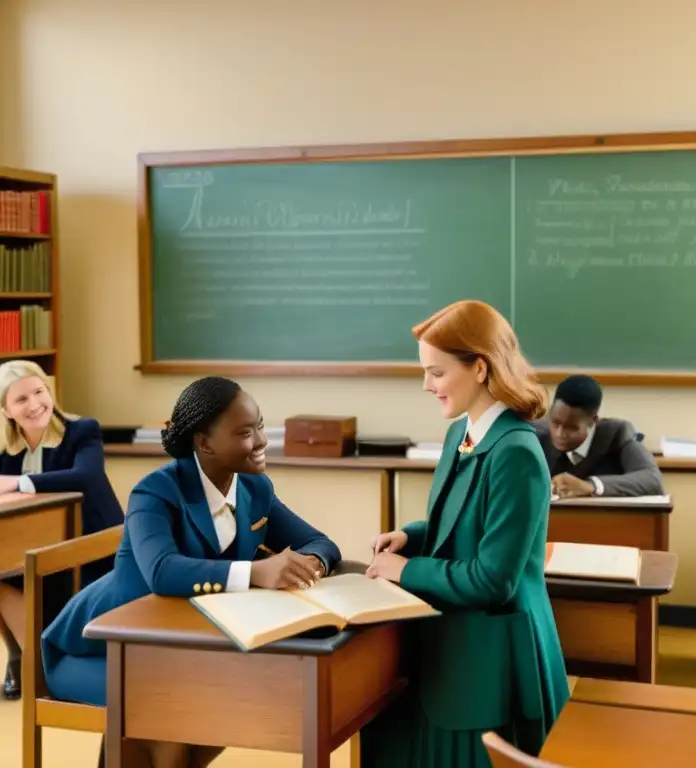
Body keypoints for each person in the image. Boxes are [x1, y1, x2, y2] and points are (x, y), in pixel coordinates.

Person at [40, 376, 341, 768]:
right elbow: (162, 573)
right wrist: (255, 571)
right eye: (246, 432)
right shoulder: (156, 492)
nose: (262, 441)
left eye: (261, 427)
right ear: (205, 442)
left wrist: (311, 563)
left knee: (221, 697)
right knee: (176, 702)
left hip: (177, 652)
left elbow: (321, 543)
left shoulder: (255, 488)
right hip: (94, 651)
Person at [361, 299, 569, 768]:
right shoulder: (463, 433)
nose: (426, 385)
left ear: (479, 368)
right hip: (452, 642)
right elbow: (461, 523)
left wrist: (407, 569)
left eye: (436, 372)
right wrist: (411, 537)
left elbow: (493, 580)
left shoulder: (515, 452)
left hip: (493, 660)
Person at [0, 359, 124, 701]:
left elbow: (86, 477)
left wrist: (17, 482)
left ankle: (39, 662)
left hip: (94, 547)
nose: (35, 404)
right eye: (21, 399)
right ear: (6, 411)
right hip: (38, 548)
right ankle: (26, 657)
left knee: (34, 572)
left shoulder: (82, 430)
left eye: (39, 392)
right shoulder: (5, 448)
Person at [533, 374, 664, 498]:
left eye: (571, 428)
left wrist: (591, 486)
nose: (559, 433)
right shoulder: (535, 435)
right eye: (555, 422)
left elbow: (652, 480)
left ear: (593, 421)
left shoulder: (617, 434)